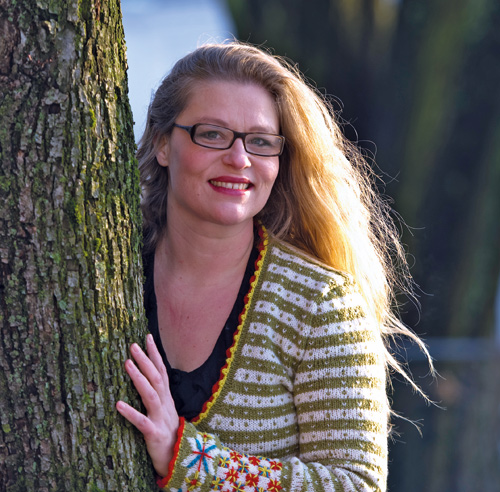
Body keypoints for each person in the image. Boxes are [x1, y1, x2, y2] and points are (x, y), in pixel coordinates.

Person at [116, 41, 430, 492]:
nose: (239, 159)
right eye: (212, 134)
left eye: (260, 142)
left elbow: (357, 484)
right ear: (163, 144)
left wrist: (188, 459)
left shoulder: (321, 305)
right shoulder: (109, 271)